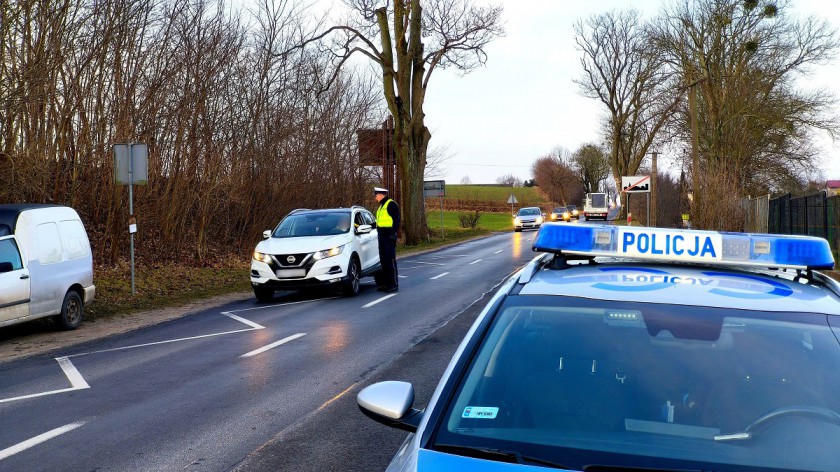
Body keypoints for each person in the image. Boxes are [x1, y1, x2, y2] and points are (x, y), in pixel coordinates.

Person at [373, 187, 400, 292]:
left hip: (389, 236)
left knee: (390, 261)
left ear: (381, 195)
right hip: (381, 235)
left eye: (376, 195)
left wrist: (393, 234)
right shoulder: (381, 207)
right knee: (383, 261)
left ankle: (393, 284)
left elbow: (396, 220)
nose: (375, 198)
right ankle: (385, 284)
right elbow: (379, 222)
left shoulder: (391, 204)